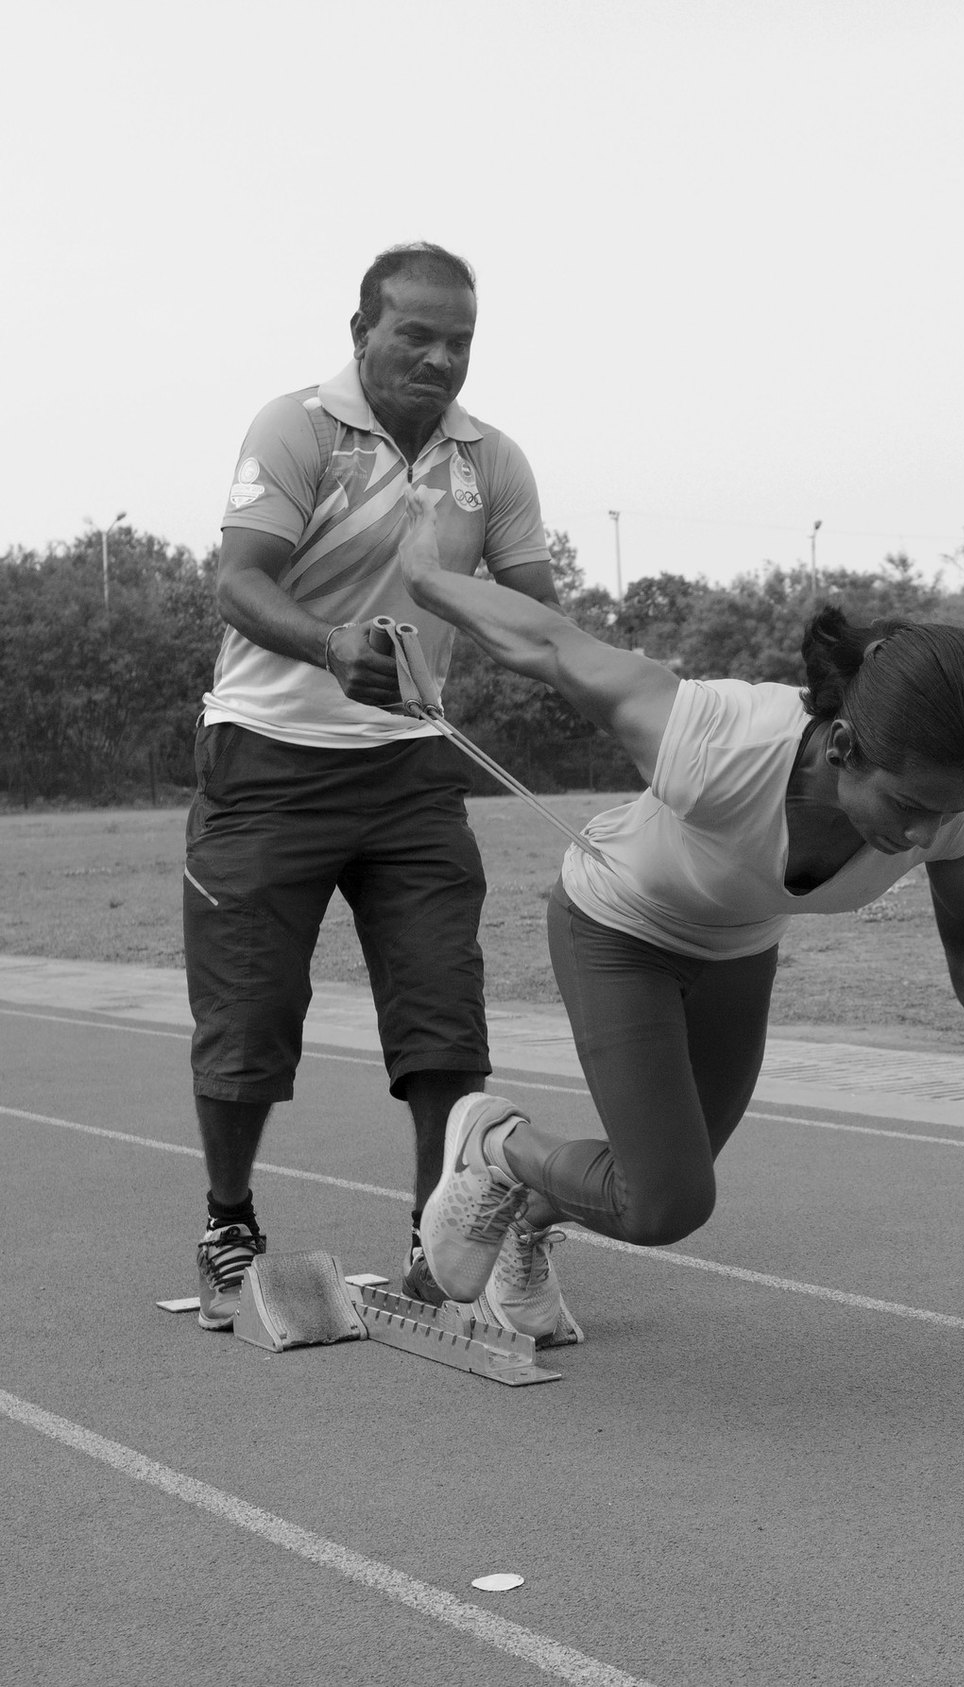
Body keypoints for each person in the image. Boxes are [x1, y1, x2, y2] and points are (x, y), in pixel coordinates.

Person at [395, 484, 964, 1341]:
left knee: (647, 1185)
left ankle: (520, 1223)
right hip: (617, 925)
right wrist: (424, 573)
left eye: (951, 808)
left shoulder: (954, 814)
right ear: (842, 748)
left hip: (736, 950)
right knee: (667, 1201)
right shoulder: (715, 741)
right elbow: (552, 643)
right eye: (909, 805)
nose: (925, 833)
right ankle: (493, 1140)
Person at [185, 242, 562, 1332]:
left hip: (408, 771)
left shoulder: (491, 463)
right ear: (362, 333)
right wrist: (327, 643)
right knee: (251, 1015)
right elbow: (239, 580)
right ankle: (227, 1223)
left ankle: (433, 1238)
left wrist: (655, 723)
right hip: (265, 757)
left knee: (444, 1011)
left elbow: (540, 619)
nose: (441, 360)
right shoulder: (297, 427)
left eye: (461, 342)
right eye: (417, 335)